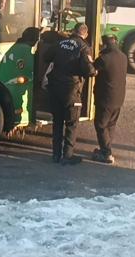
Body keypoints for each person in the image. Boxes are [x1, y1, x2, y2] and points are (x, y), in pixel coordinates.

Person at [45, 23, 95, 165]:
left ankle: (55, 155)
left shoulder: (60, 43)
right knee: (71, 123)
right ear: (85, 34)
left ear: (73, 31)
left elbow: (46, 57)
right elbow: (90, 71)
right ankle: (67, 155)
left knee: (57, 122)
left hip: (55, 87)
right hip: (71, 89)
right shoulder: (84, 47)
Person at [91, 35, 127, 164]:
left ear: (105, 45)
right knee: (111, 124)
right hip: (119, 98)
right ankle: (106, 148)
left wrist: (89, 60)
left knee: (100, 125)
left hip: (106, 98)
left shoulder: (104, 58)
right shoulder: (123, 56)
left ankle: (106, 153)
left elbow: (91, 69)